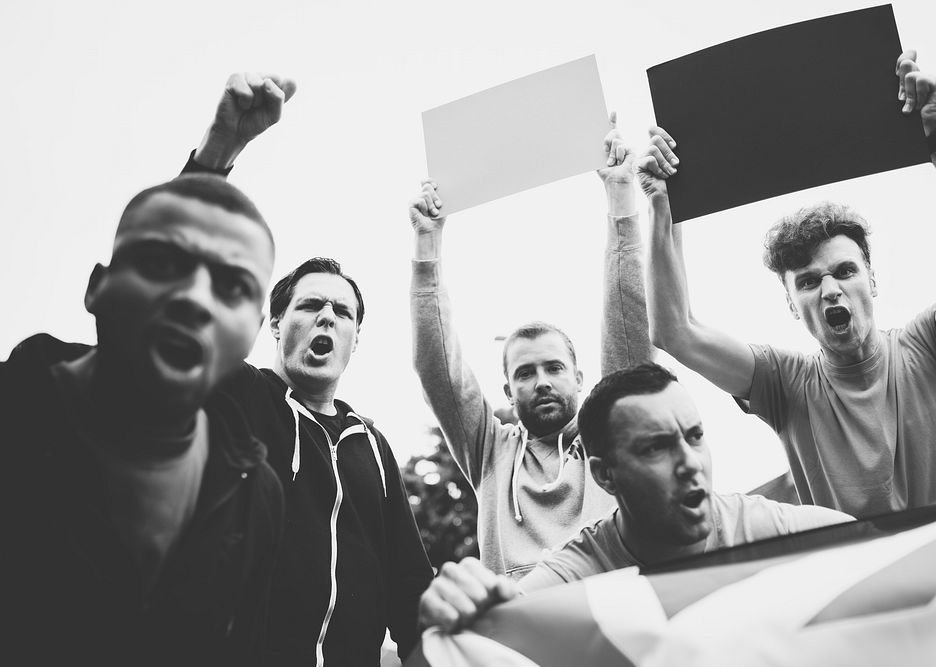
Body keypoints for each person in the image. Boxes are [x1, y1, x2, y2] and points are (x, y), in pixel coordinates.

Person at [639, 49, 936, 519]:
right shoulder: (787, 385)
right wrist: (664, 207)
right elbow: (674, 331)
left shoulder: (935, 342)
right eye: (808, 282)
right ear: (792, 304)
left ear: (872, 278)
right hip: (865, 591)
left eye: (845, 271)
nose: (830, 290)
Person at [185, 73, 433, 666]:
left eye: (341, 312)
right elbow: (173, 296)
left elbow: (412, 601)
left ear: (355, 339)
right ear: (275, 326)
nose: (326, 318)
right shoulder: (235, 396)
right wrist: (219, 152)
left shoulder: (372, 447)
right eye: (309, 306)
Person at [1, 174, 284, 665]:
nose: (195, 299)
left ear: (256, 331)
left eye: (233, 286)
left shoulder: (256, 493)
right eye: (160, 263)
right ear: (96, 287)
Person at [417, 363, 851, 631]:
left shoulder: (761, 524)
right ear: (606, 476)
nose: (690, 463)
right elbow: (510, 615)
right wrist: (466, 605)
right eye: (655, 447)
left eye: (695, 436)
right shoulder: (582, 569)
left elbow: (882, 544)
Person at [408, 116, 655, 579]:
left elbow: (629, 320)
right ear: (507, 391)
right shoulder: (489, 452)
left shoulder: (611, 432)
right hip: (527, 643)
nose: (540, 381)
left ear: (580, 379)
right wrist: (427, 241)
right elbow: (436, 367)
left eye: (554, 367)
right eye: (524, 373)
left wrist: (621, 197)